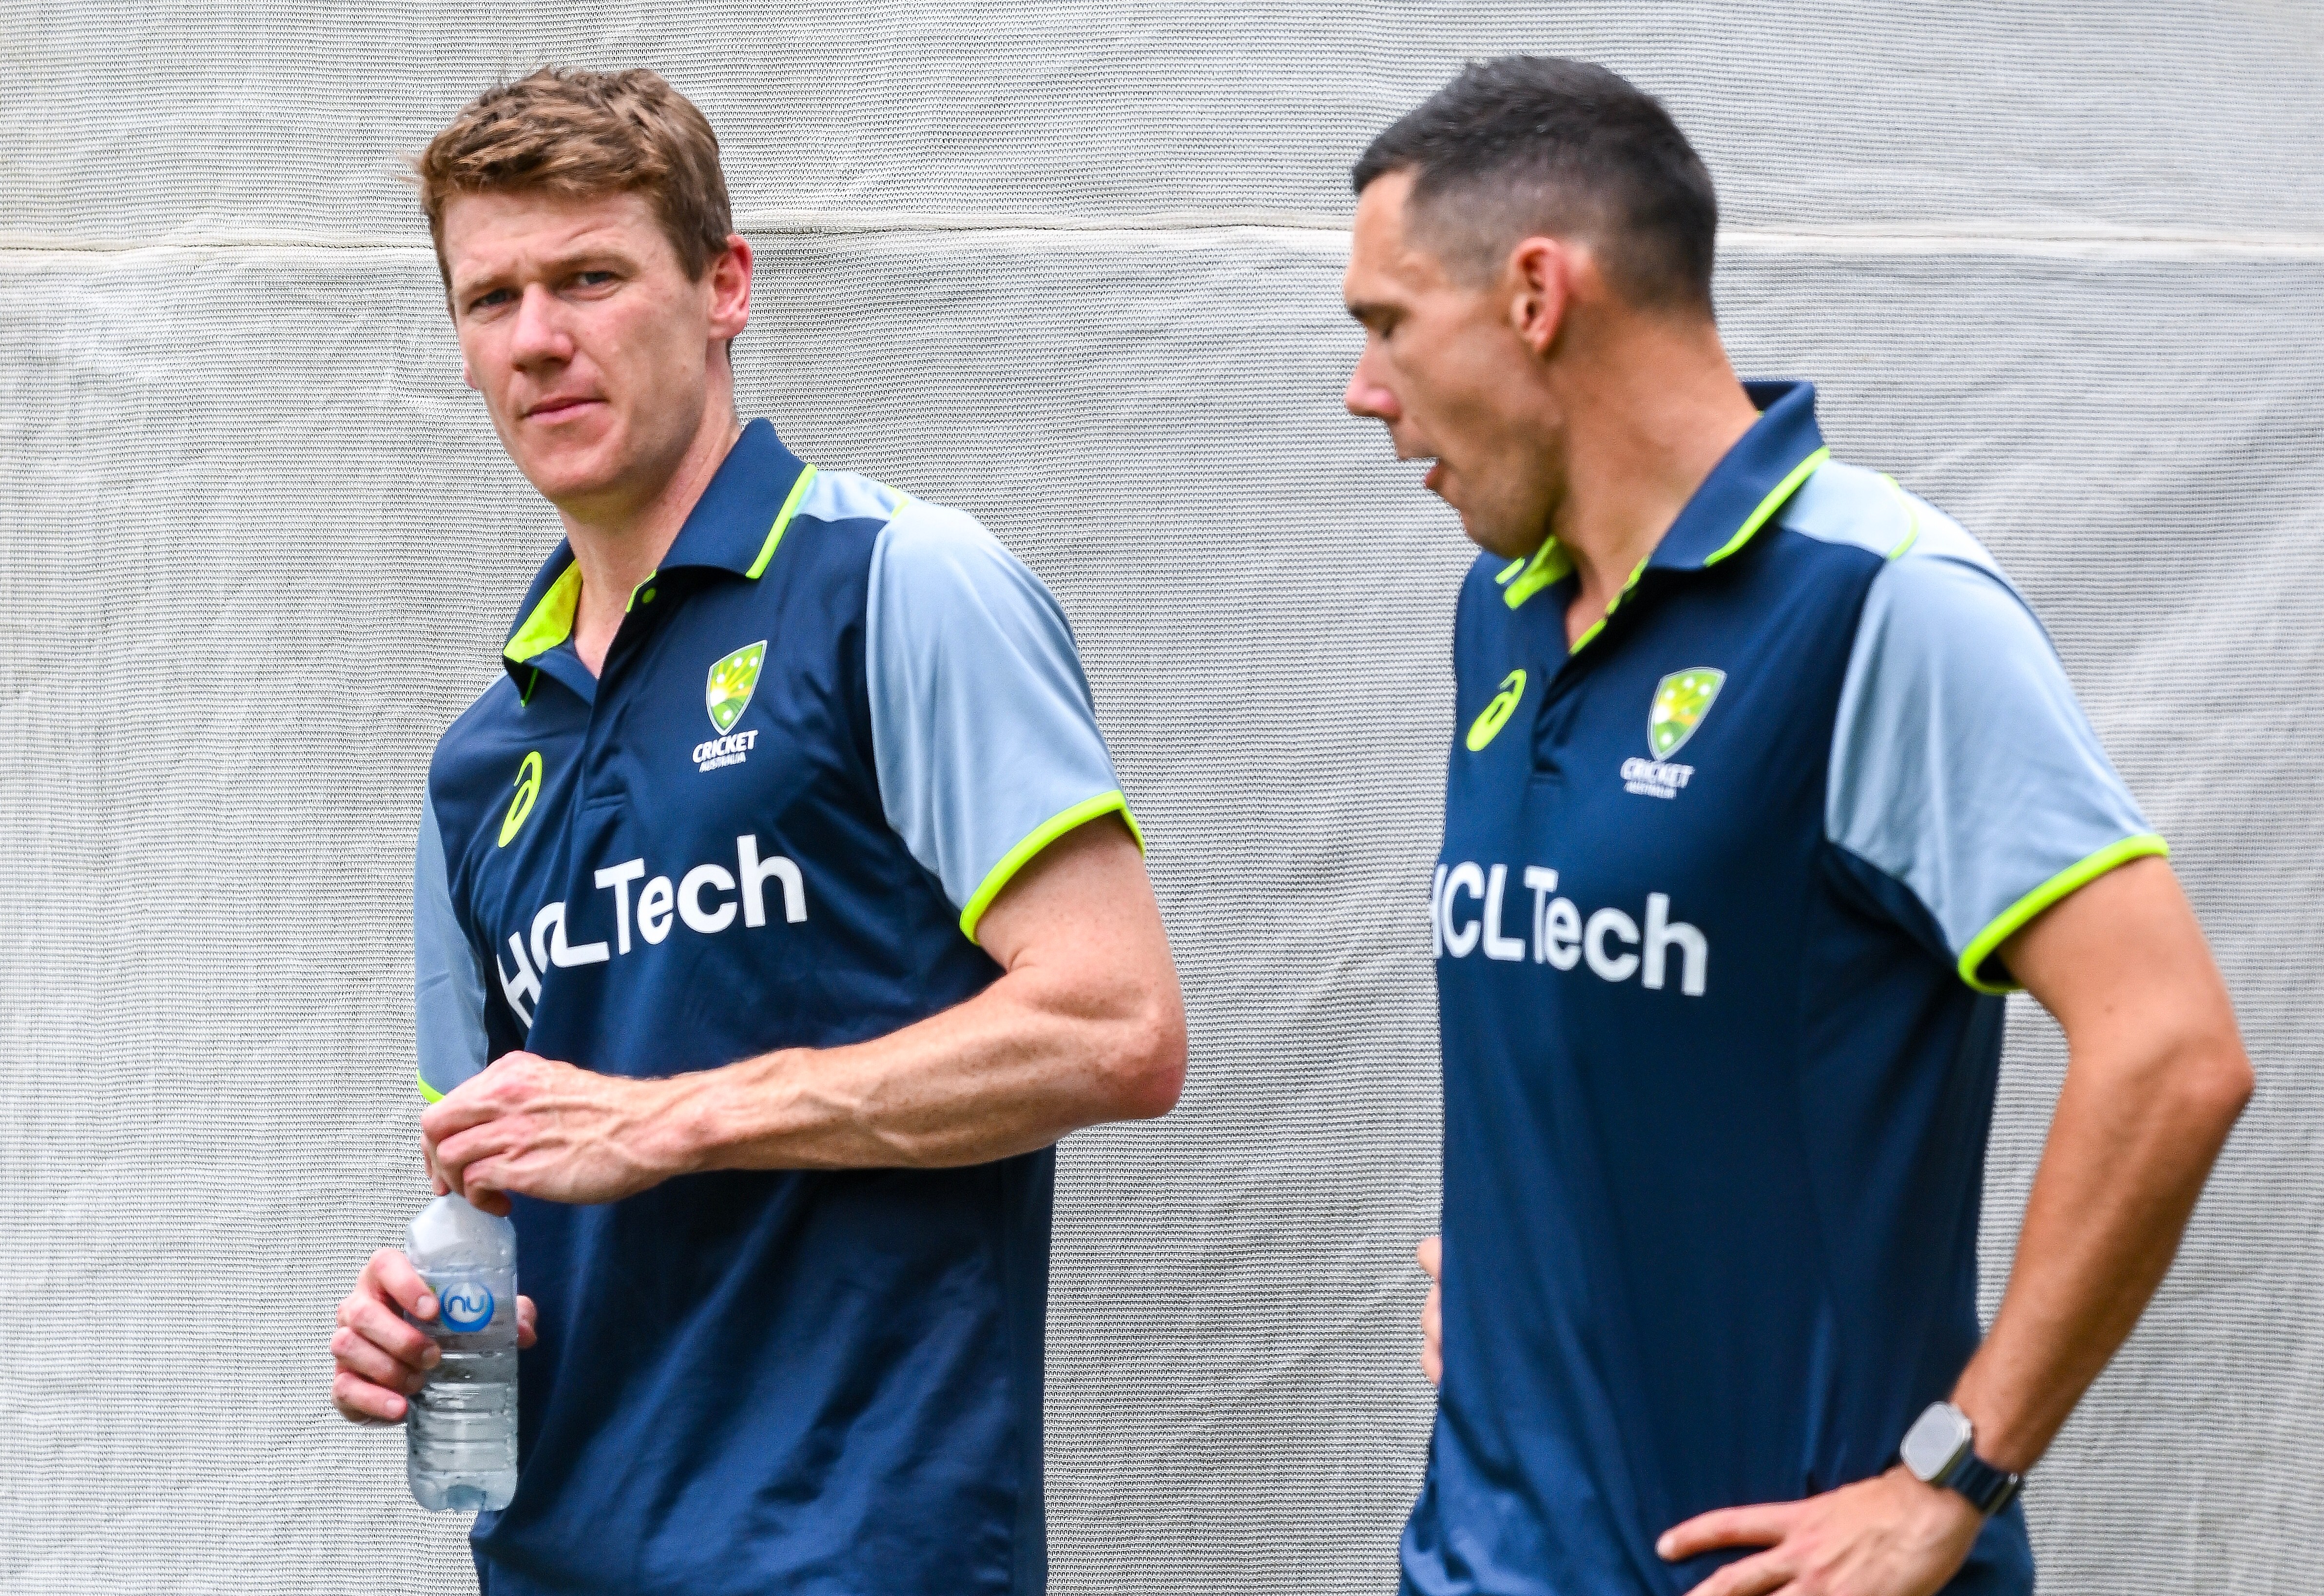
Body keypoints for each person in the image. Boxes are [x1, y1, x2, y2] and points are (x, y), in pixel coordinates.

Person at [1342, 58, 2252, 1596]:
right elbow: (1613, 1016)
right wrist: (1537, 1264)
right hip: (1485, 1558)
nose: (1365, 390)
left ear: (1535, 295)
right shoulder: (1502, 617)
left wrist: (1949, 1476)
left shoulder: (1883, 606)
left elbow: (2171, 1048)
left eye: (1384, 325)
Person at [325, 68, 1185, 1596]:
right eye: (492, 297)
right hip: (552, 1561)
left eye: (591, 276)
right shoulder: (477, 762)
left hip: (856, 1555)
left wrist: (673, 1118)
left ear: (724, 286)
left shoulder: (897, 585)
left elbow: (1117, 1027)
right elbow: (491, 1194)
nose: (539, 336)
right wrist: (420, 1314)